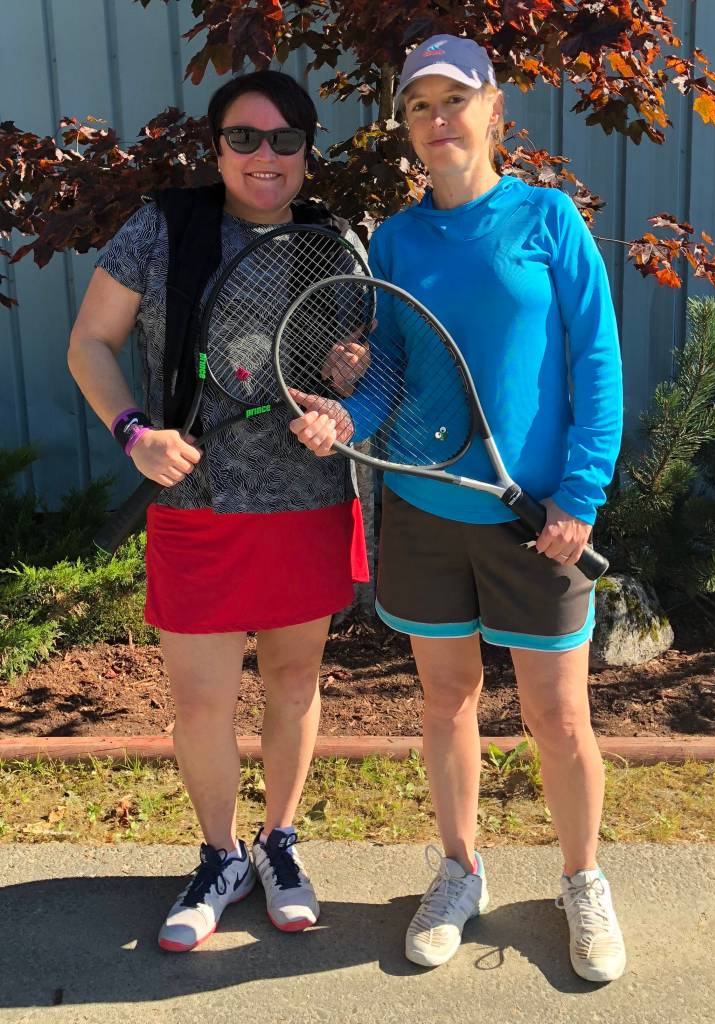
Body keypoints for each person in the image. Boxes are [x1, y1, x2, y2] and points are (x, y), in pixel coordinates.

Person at [289, 36, 626, 982]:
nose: (439, 121)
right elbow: (388, 377)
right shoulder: (394, 241)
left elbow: (595, 367)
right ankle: (459, 870)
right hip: (425, 513)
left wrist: (580, 496)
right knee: (445, 701)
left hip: (539, 520)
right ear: (405, 129)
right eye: (419, 107)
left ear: (493, 113)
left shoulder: (549, 220)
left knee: (558, 720)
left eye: (455, 100)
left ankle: (582, 881)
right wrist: (341, 412)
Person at [68, 70, 369, 951]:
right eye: (244, 138)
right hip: (194, 502)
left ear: (307, 149)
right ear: (217, 147)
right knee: (200, 705)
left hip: (305, 504)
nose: (263, 156)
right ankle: (217, 855)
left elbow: (356, 363)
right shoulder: (164, 227)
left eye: (283, 139)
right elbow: (91, 340)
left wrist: (341, 393)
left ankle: (279, 844)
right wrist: (134, 434)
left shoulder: (339, 241)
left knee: (293, 685)